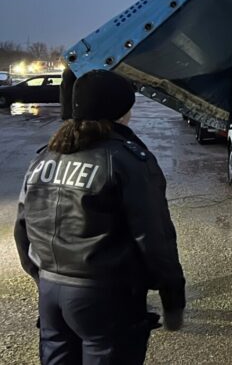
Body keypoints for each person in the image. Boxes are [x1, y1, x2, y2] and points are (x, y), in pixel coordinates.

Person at [14, 69, 186, 364]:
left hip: (51, 292)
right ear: (121, 111)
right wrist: (173, 300)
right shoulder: (126, 159)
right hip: (106, 298)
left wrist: (42, 277)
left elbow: (22, 227)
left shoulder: (45, 156)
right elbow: (155, 237)